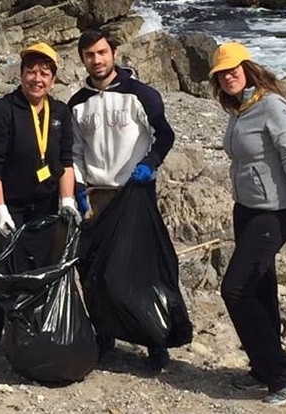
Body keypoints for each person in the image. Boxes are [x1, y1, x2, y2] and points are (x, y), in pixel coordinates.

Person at [208, 42, 286, 405]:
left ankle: (282, 371)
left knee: (235, 290)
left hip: (274, 213)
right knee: (259, 288)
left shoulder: (272, 106)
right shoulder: (239, 108)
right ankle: (262, 367)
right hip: (246, 209)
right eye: (221, 73)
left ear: (248, 66)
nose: (228, 76)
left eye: (233, 69)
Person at [67, 28, 175, 371]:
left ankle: (154, 342)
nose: (97, 60)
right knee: (93, 271)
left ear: (113, 52)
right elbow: (75, 151)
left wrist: (150, 163)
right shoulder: (78, 103)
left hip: (135, 192)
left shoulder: (141, 95)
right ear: (82, 59)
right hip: (97, 195)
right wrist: (80, 188)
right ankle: (105, 335)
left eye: (102, 52)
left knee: (140, 270)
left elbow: (165, 134)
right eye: (89, 55)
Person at [0, 42, 79, 358]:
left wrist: (68, 200)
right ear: (20, 74)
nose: (37, 79)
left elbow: (65, 161)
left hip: (44, 202)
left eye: (44, 73)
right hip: (8, 202)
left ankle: (30, 332)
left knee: (39, 267)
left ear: (54, 79)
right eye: (31, 71)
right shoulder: (2, 111)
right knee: (4, 268)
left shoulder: (60, 112)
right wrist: (1, 209)